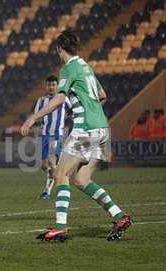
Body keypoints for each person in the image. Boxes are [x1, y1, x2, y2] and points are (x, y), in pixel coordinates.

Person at [21, 30, 132, 241]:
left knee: (60, 174)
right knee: (81, 179)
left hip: (86, 129)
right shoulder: (86, 67)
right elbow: (102, 96)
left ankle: (60, 228)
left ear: (59, 49)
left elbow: (60, 98)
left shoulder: (69, 68)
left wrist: (33, 117)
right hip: (102, 129)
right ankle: (119, 216)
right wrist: (83, 107)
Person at [33, 75, 70, 200]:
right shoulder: (41, 100)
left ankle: (51, 190)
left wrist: (66, 120)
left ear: (57, 85)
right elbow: (37, 115)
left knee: (51, 162)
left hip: (56, 135)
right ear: (46, 86)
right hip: (45, 135)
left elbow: (71, 111)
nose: (51, 87)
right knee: (44, 166)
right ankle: (61, 176)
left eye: (53, 85)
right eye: (49, 85)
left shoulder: (63, 99)